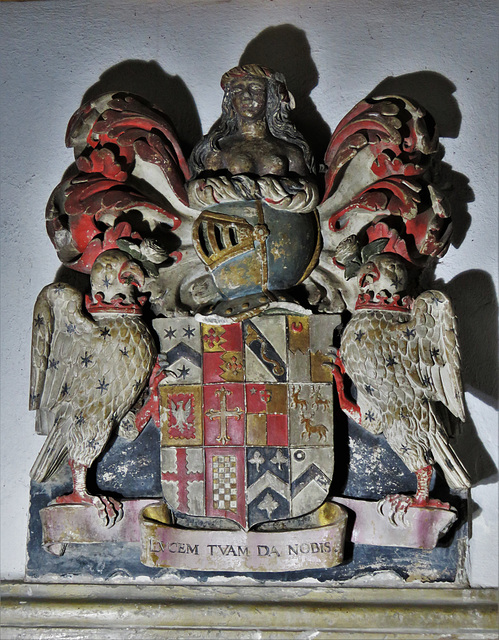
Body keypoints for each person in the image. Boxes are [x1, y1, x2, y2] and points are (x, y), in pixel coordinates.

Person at [187, 64, 319, 213]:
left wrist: (247, 188)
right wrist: (270, 189)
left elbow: (309, 194)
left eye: (255, 88)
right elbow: (199, 194)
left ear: (271, 97)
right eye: (238, 90)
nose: (246, 96)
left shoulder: (290, 151)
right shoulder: (217, 150)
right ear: (230, 99)